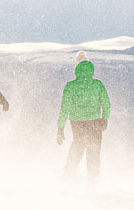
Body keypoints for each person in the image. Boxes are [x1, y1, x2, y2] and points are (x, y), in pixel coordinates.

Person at [55, 51, 111, 185]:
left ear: (76, 68)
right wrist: (105, 119)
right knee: (94, 153)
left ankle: (69, 177)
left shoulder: (71, 86)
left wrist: (60, 128)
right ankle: (93, 182)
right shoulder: (98, 84)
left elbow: (64, 108)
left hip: (78, 123)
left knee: (77, 149)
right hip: (96, 122)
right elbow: (106, 104)